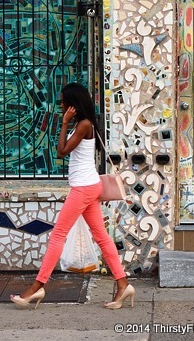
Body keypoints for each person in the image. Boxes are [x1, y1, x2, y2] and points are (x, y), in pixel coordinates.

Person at [10, 82, 135, 310]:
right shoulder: (84, 124)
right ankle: (123, 283)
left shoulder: (83, 124)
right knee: (101, 236)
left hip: (84, 188)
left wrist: (65, 122)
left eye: (63, 101)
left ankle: (38, 286)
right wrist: (68, 122)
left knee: (58, 235)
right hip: (89, 186)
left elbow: (61, 151)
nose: (60, 105)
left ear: (73, 104)